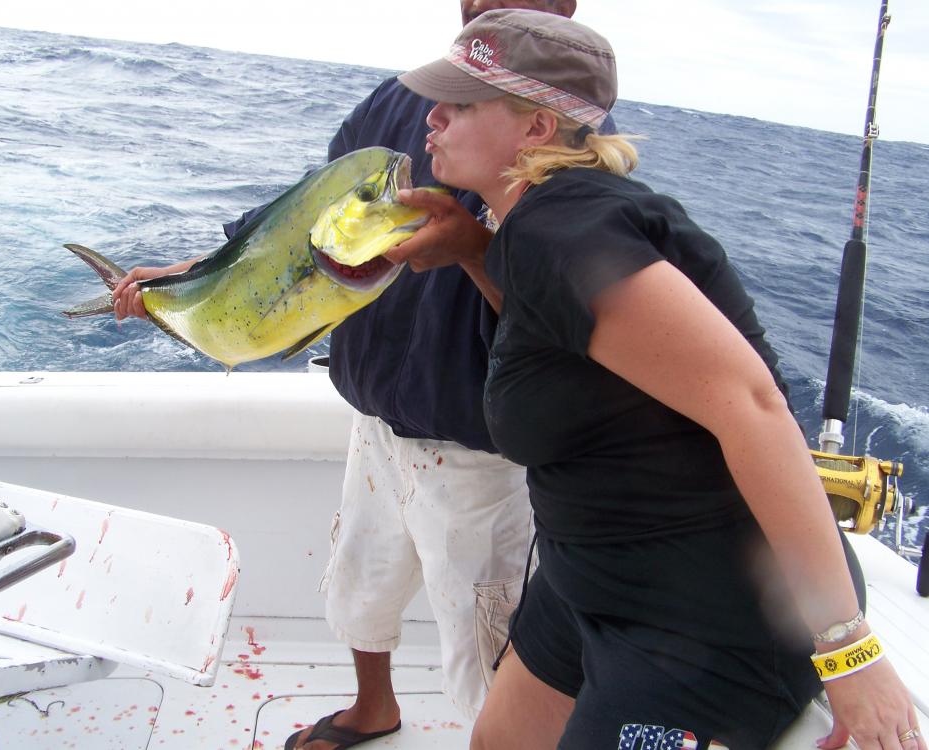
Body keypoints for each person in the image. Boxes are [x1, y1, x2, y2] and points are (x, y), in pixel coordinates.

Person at [393, 9, 926, 750]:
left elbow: (755, 406)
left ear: (537, 129)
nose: (435, 115)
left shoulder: (561, 232)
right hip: (592, 577)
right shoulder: (531, 226)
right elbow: (569, 343)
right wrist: (474, 252)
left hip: (705, 621)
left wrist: (850, 651)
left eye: (463, 102)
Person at [112, 3, 603, 749]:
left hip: (477, 453)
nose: (478, 2)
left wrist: (475, 250)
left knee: (486, 640)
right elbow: (292, 221)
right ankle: (373, 708)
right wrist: (189, 279)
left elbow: (564, 328)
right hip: (376, 411)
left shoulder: (568, 153)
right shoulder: (403, 98)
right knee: (360, 587)